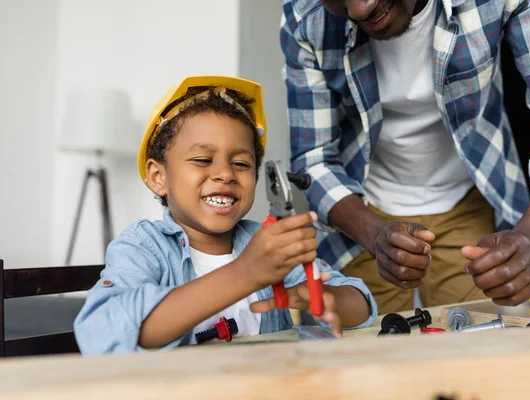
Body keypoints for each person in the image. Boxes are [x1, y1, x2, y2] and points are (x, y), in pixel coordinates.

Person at [280, 0, 530, 313]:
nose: (359, 10)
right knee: (368, 357)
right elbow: (314, 159)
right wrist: (374, 232)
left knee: (479, 353)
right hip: (362, 216)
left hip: (469, 204)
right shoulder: (304, 15)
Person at [73, 76, 377, 355]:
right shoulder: (143, 247)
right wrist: (245, 273)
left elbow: (363, 305)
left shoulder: (267, 243)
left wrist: (322, 297)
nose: (224, 174)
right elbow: (104, 332)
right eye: (203, 159)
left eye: (242, 164)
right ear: (158, 176)